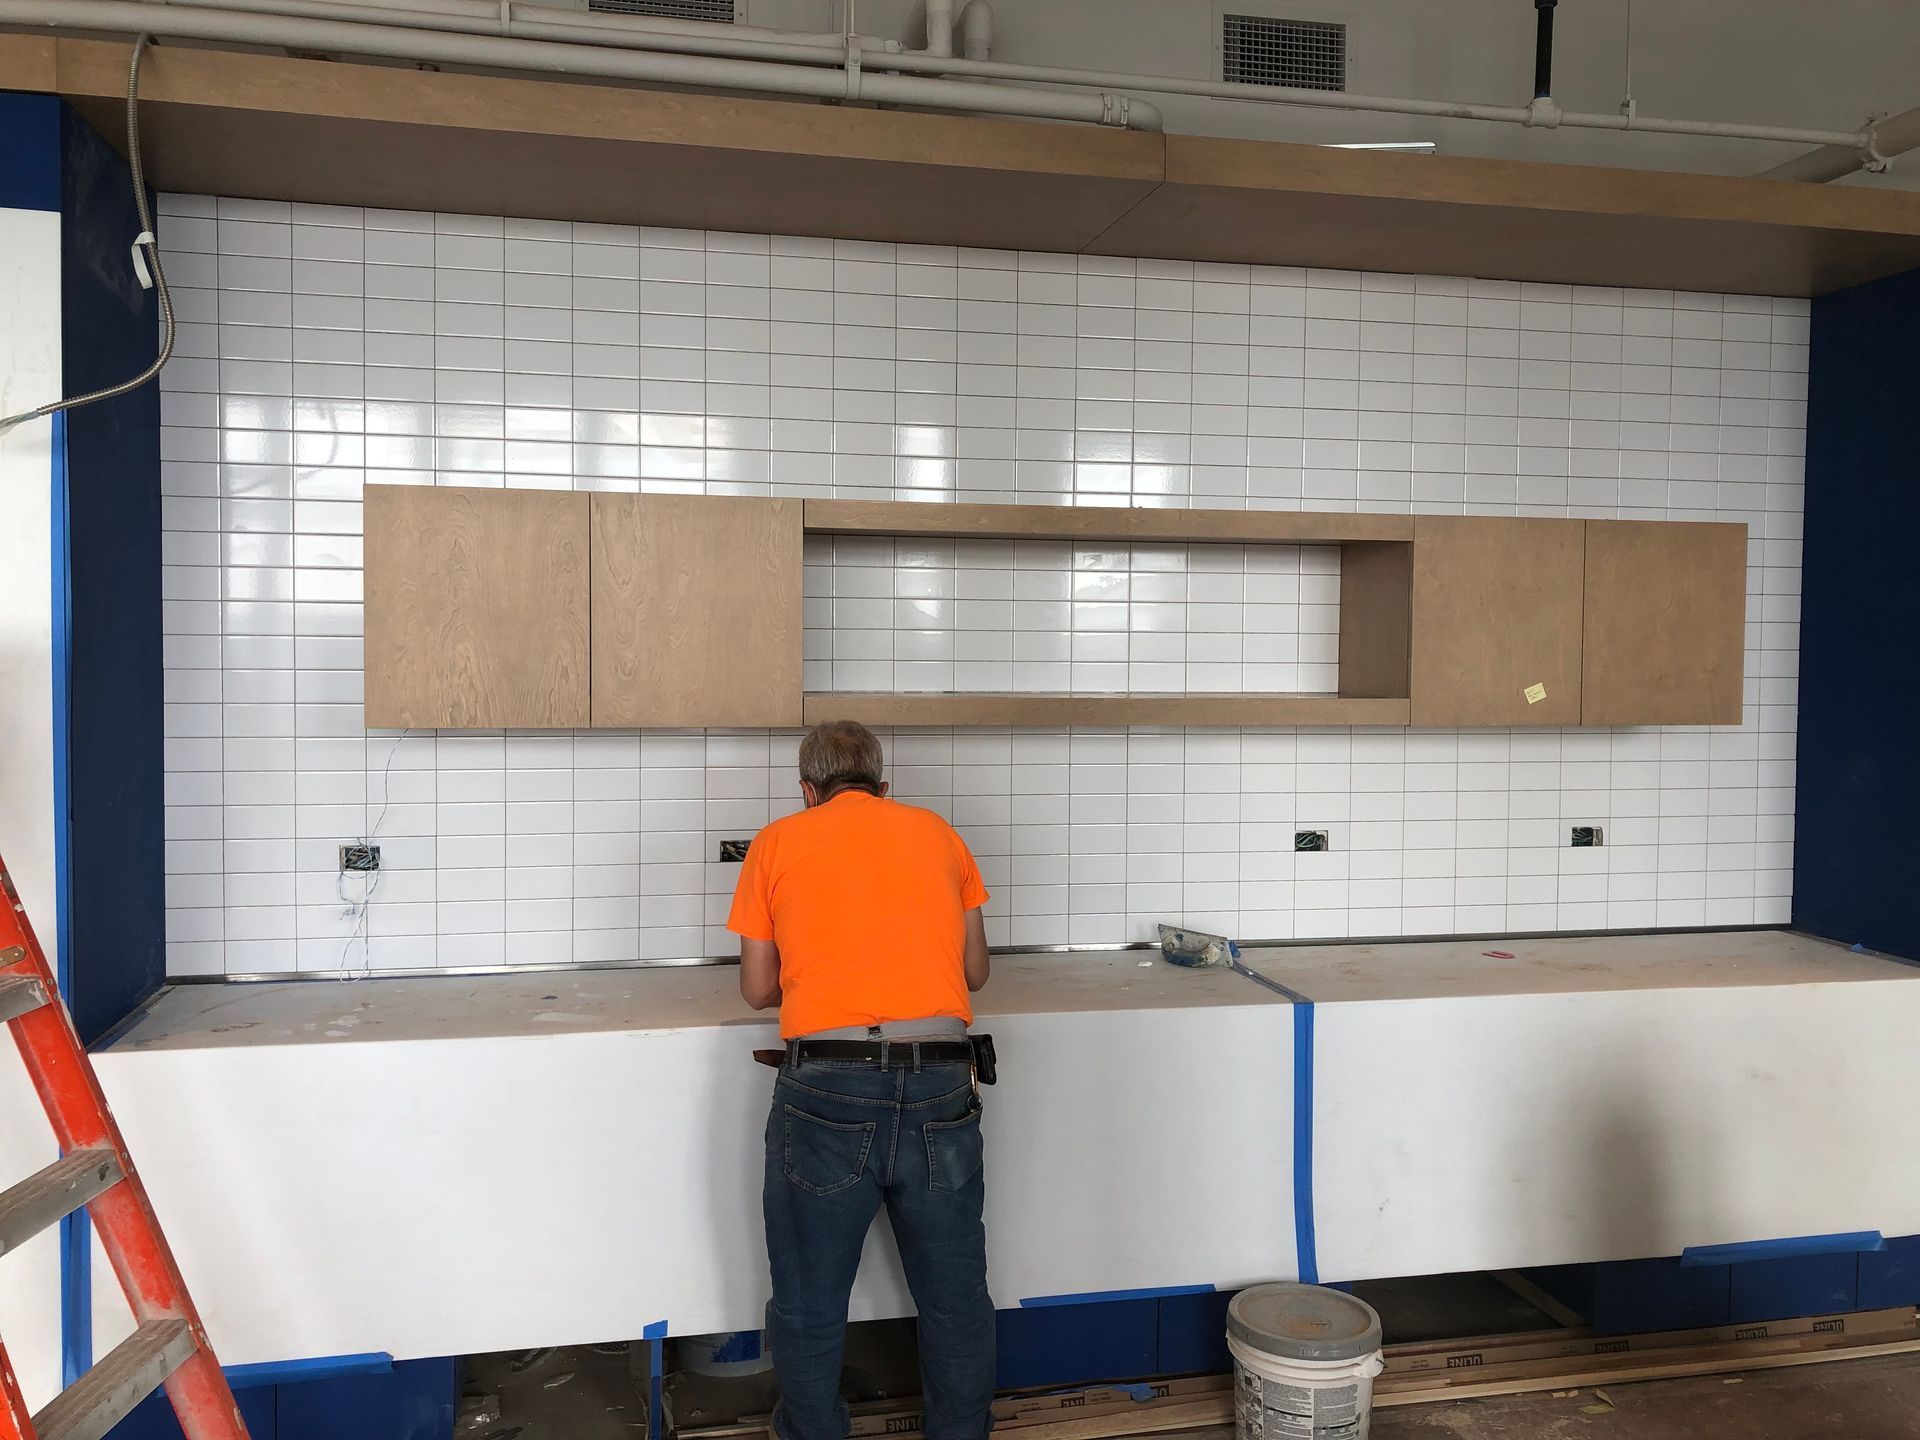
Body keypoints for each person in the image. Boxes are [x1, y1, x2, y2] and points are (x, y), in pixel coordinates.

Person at [728, 720, 995, 1440]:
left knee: (810, 1303)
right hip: (941, 1083)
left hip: (828, 1089)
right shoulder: (939, 833)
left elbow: (757, 990)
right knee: (956, 1301)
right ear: (883, 787)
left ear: (808, 791)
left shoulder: (778, 841)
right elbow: (974, 972)